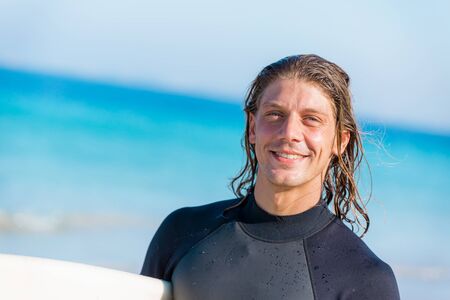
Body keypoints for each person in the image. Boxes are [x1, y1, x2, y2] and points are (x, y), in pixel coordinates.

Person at [140, 54, 400, 299]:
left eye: (311, 119)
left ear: (340, 142)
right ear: (253, 128)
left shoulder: (364, 278)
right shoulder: (182, 231)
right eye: (275, 114)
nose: (289, 133)